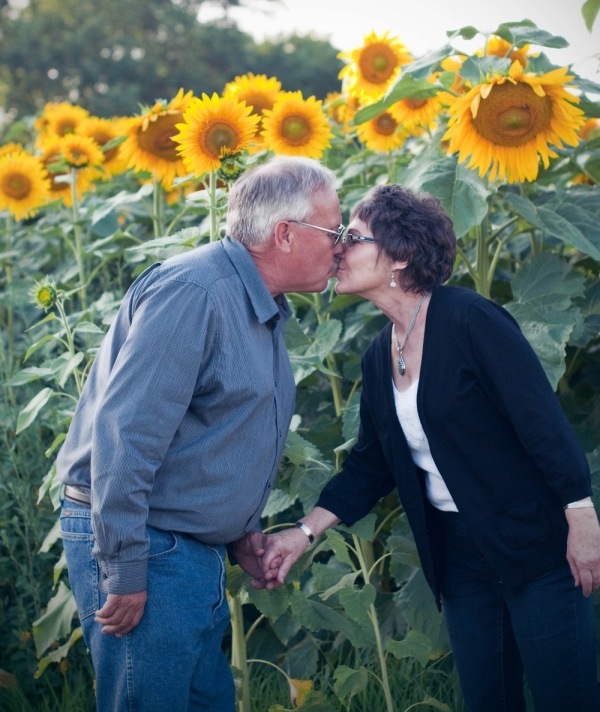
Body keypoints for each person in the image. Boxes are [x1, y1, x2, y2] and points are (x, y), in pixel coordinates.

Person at [262, 183, 600, 712]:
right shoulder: (380, 355)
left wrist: (581, 519)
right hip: (459, 555)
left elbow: (543, 425)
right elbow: (371, 465)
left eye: (352, 238)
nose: (337, 249)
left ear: (398, 255)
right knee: (488, 699)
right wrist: (303, 533)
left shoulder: (471, 322)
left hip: (534, 545)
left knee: (567, 697)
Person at [56, 155, 345, 712]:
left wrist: (242, 534)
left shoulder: (257, 302)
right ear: (285, 235)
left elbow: (218, 431)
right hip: (146, 544)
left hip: (187, 551)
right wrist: (124, 568)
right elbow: (126, 437)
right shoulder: (197, 292)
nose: (340, 245)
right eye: (333, 230)